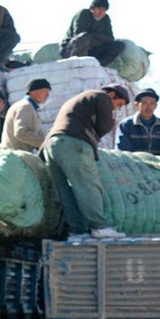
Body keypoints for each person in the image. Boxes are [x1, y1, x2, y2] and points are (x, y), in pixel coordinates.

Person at [40, 84, 130, 239]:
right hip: (73, 143)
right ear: (112, 95)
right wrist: (108, 125)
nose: (115, 108)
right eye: (118, 104)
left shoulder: (79, 98)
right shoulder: (102, 97)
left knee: (66, 192)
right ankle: (99, 227)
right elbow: (104, 124)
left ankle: (77, 231)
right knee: (88, 185)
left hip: (52, 146)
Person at [60, 0, 126, 66]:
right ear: (92, 9)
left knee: (119, 45)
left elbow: (110, 38)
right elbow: (79, 34)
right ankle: (77, 63)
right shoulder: (83, 14)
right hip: (71, 49)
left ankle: (97, 66)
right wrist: (98, 38)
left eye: (104, 10)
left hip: (92, 50)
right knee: (85, 37)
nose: (102, 12)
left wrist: (93, 37)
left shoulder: (106, 19)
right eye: (99, 9)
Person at [117, 88, 160, 154]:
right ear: (137, 105)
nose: (148, 107)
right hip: (134, 164)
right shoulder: (126, 125)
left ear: (155, 106)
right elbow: (124, 152)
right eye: (144, 103)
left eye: (152, 103)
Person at [0, 78, 51, 152]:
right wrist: (46, 143)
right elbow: (21, 132)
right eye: (45, 91)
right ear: (33, 91)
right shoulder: (25, 106)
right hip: (15, 156)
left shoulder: (31, 107)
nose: (47, 95)